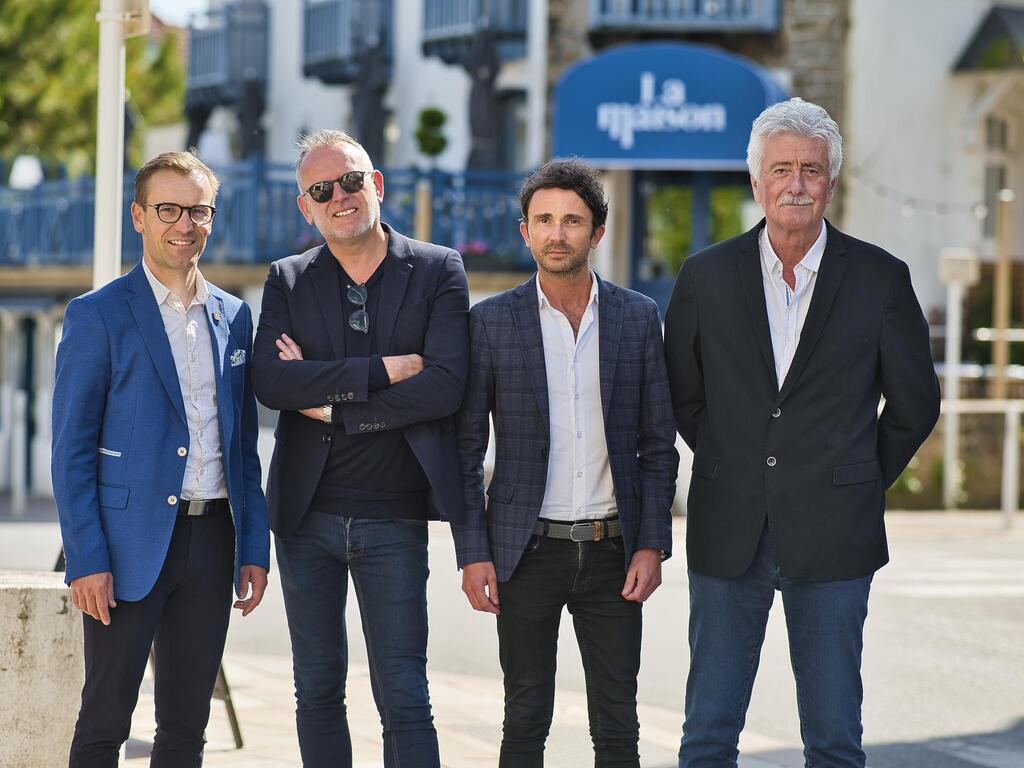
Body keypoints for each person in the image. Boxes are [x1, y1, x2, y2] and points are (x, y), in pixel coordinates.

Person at [665, 98, 940, 768]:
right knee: (707, 737)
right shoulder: (704, 276)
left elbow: (915, 404)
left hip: (835, 530)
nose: (796, 184)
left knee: (834, 740)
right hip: (729, 527)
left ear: (831, 183)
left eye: (811, 170)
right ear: (756, 181)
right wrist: (737, 459)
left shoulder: (880, 278)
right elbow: (683, 395)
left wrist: (855, 473)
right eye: (781, 169)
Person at [250, 129, 469, 768]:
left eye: (350, 181)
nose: (339, 197)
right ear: (306, 207)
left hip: (395, 517)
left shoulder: (438, 269)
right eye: (321, 190)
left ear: (376, 184)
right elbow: (271, 382)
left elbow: (445, 386)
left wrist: (330, 403)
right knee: (317, 690)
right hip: (305, 518)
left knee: (404, 695)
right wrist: (382, 371)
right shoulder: (288, 279)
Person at [453, 158, 678, 767]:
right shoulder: (490, 323)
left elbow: (658, 444)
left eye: (572, 221)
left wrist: (651, 544)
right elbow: (466, 449)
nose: (557, 234)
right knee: (525, 716)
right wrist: (474, 552)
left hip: (614, 551)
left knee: (618, 721)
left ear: (596, 233)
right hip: (523, 551)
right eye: (544, 220)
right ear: (525, 232)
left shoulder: (637, 317)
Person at [52, 150, 270, 767]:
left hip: (213, 540)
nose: (184, 224)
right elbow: (71, 451)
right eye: (168, 210)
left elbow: (242, 445)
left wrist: (254, 546)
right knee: (104, 722)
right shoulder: (97, 314)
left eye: (198, 211)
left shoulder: (234, 316)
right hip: (127, 548)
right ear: (139, 217)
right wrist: (87, 559)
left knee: (186, 727)